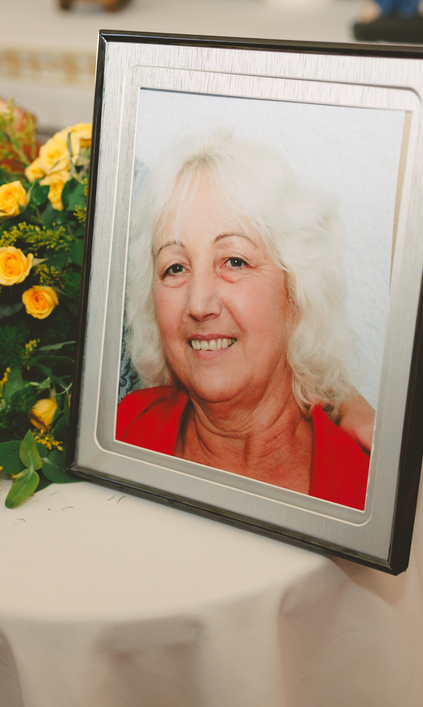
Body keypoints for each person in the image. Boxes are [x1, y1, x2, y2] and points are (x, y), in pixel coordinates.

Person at [116, 131, 373, 510]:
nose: (199, 304)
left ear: (296, 291)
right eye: (175, 267)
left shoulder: (365, 492)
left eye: (234, 261)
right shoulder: (124, 431)